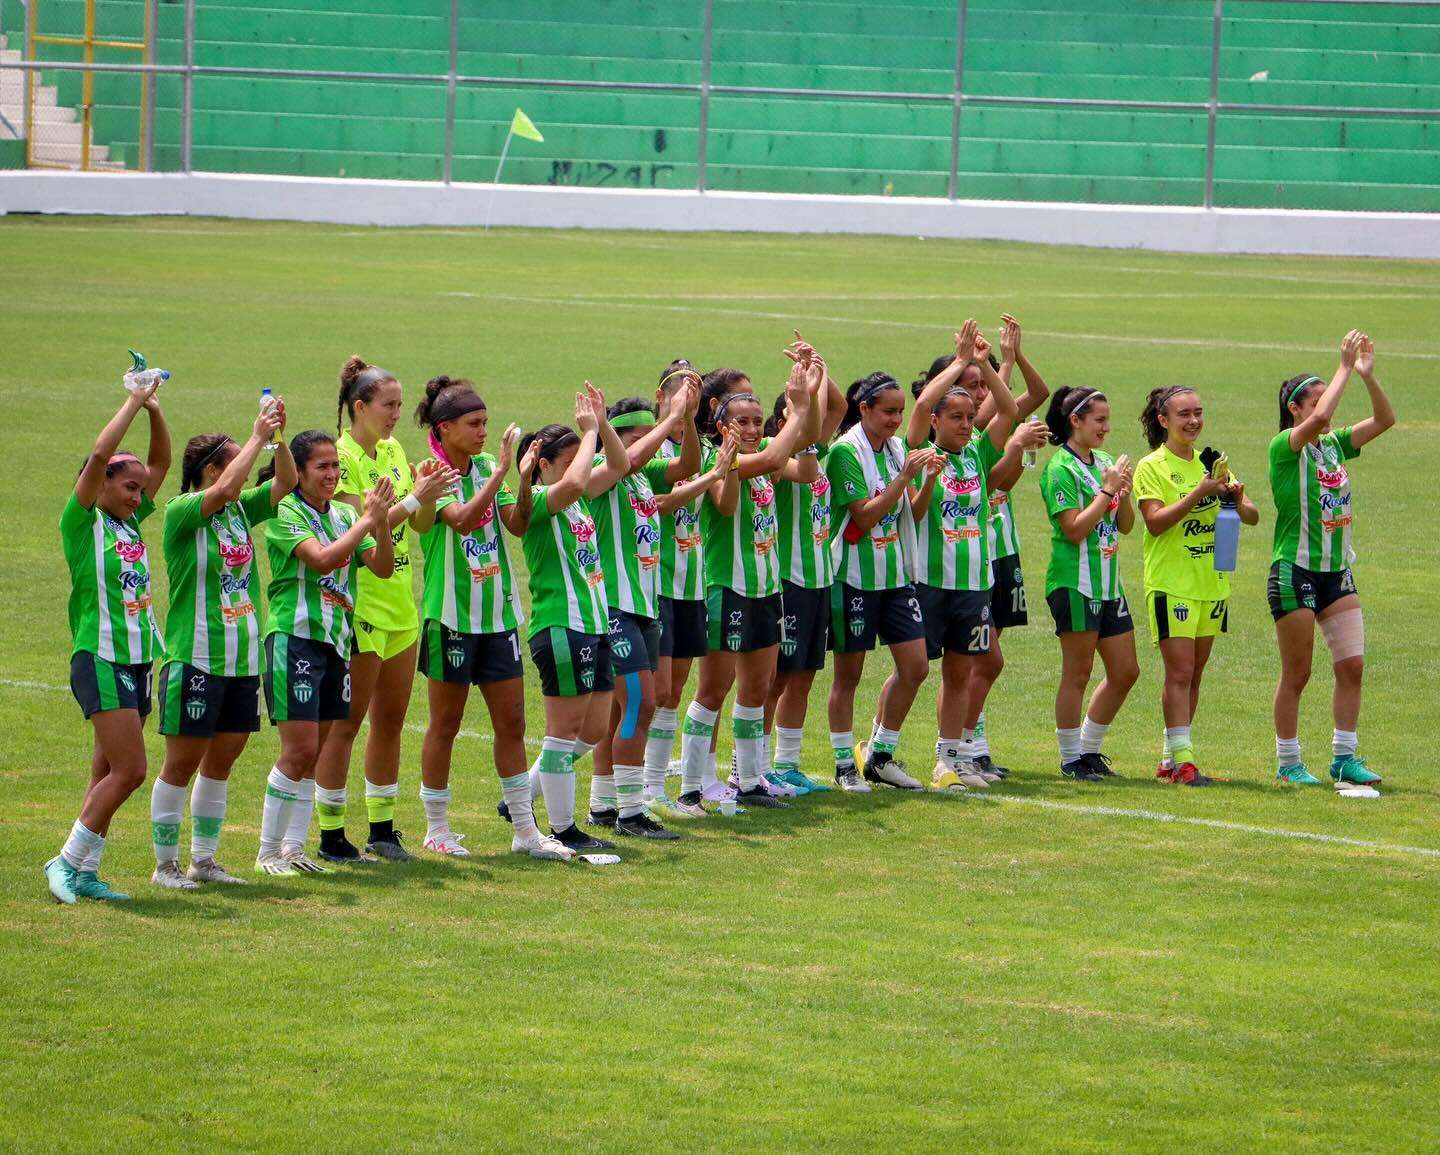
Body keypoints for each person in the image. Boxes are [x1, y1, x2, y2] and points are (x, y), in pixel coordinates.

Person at [413, 376, 569, 859]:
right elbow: (460, 519)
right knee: (446, 723)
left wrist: (519, 479)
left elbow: (517, 525)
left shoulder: (486, 465)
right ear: (445, 428)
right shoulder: (430, 474)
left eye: (485, 422)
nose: (483, 431)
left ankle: (525, 831)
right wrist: (503, 471)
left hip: (498, 616)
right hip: (450, 619)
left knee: (513, 722)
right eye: (473, 423)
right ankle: (437, 828)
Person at [312, 358, 456, 864]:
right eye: (388, 405)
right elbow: (360, 526)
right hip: (360, 605)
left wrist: (429, 495)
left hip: (400, 603)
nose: (397, 414)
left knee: (390, 722)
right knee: (345, 724)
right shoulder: (343, 458)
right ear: (360, 407)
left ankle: (382, 829)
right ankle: (331, 832)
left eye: (398, 404)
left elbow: (415, 528)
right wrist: (414, 499)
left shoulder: (394, 451)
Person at [149, 398, 297, 890]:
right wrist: (255, 435)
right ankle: (164, 866)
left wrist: (276, 438)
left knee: (223, 758)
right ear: (213, 469)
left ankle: (203, 861)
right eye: (234, 459)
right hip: (194, 657)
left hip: (240, 659)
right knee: (182, 762)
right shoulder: (183, 511)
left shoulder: (236, 511)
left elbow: (285, 484)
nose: (241, 471)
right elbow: (233, 484)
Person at [46, 380, 171, 904]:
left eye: (141, 491)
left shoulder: (128, 522)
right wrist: (134, 402)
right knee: (132, 770)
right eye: (128, 487)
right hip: (100, 656)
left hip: (138, 657)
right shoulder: (84, 522)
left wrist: (157, 412)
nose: (138, 496)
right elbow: (101, 453)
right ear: (98, 486)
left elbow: (160, 464)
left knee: (104, 771)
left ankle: (86, 871)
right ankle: (65, 862)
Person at [675, 357, 819, 812]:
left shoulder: (764, 460)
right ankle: (692, 784)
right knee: (713, 689)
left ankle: (749, 779)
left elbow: (807, 468)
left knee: (758, 687)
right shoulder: (721, 467)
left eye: (758, 421)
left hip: (765, 589)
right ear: (719, 426)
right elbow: (728, 502)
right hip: (726, 588)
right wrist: (795, 411)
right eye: (742, 421)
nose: (753, 428)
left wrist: (806, 402)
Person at [908, 313, 1049, 779]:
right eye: (959, 415)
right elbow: (930, 407)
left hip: (975, 578)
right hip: (931, 579)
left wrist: (993, 363)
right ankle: (880, 748)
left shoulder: (973, 450)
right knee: (916, 671)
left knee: (964, 670)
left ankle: (955, 757)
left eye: (971, 416)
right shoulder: (921, 450)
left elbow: (1009, 410)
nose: (968, 422)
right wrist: (969, 362)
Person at [256, 430, 395, 876]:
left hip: (336, 642)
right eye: (323, 466)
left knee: (313, 753)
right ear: (299, 472)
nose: (333, 474)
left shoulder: (341, 513)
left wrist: (383, 522)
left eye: (336, 466)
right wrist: (367, 519)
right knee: (297, 750)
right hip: (296, 637)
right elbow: (321, 559)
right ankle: (266, 852)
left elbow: (383, 566)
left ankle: (295, 850)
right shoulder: (286, 511)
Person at [1268, 331, 1394, 788]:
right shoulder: (1285, 446)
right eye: (1315, 401)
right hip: (1294, 571)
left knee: (1352, 666)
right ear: (1294, 410)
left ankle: (1344, 757)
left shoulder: (1334, 445)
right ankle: (1288, 762)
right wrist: (1341, 366)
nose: (1327, 407)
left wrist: (1365, 376)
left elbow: (1384, 419)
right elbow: (1322, 414)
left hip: (1336, 571)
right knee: (1298, 672)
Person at [518, 386, 630, 854]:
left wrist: (601, 425)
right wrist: (588, 437)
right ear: (542, 465)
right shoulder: (539, 501)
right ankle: (562, 828)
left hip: (595, 623)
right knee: (562, 733)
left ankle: (519, 797)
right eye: (565, 462)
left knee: (596, 727)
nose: (577, 468)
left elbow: (620, 467)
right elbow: (578, 482)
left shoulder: (577, 498)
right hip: (561, 625)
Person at [586, 385, 701, 838]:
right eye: (635, 436)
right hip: (614, 605)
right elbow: (628, 460)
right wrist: (670, 420)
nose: (644, 444)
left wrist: (686, 421)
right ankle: (632, 813)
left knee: (621, 713)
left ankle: (602, 805)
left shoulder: (639, 478)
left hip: (644, 605)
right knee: (641, 703)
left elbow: (688, 466)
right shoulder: (604, 467)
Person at [1134, 385, 1259, 787]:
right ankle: (1185, 763)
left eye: (1198, 413)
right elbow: (1154, 522)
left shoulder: (1214, 461)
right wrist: (1199, 493)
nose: (1193, 421)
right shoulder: (1151, 465)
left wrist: (1235, 497)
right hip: (1172, 583)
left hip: (1212, 583)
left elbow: (1253, 516)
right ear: (1163, 420)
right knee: (1180, 672)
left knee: (1196, 673)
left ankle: (1170, 759)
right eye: (1184, 414)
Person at [644, 363, 752, 805]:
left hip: (692, 584)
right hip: (658, 583)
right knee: (659, 692)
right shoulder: (646, 452)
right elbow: (660, 506)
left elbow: (725, 507)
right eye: (678, 396)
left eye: (692, 399)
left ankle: (672, 784)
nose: (686, 403)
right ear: (661, 397)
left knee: (675, 690)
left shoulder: (702, 452)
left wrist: (728, 466)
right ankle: (647, 786)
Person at [826, 372, 935, 791]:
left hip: (894, 576)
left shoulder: (893, 449)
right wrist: (904, 478)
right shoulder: (844, 452)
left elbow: (911, 513)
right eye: (888, 411)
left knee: (916, 666)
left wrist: (925, 481)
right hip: (853, 578)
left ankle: (880, 755)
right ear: (864, 409)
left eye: (900, 412)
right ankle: (843, 765)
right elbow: (864, 515)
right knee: (848, 677)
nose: (896, 420)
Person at [1039, 386, 1138, 781]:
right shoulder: (1059, 469)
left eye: (1107, 420)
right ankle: (1070, 759)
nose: (1106, 428)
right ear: (1075, 421)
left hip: (1109, 585)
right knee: (1077, 673)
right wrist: (1108, 490)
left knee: (1126, 671)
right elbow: (1075, 529)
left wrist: (1123, 496)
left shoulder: (1107, 462)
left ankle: (1089, 749)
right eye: (1099, 420)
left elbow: (1125, 526)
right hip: (1074, 583)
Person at [763, 337, 847, 795]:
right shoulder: (776, 463)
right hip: (788, 580)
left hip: (820, 579)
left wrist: (818, 367)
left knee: (804, 675)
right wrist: (805, 399)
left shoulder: (817, 451)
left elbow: (836, 405)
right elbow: (814, 426)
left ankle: (786, 763)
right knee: (775, 678)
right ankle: (752, 767)